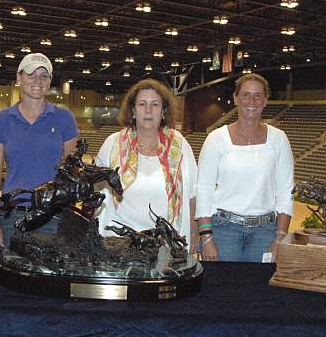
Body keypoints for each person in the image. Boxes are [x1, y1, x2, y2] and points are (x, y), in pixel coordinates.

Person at [196, 73, 293, 262]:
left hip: (265, 233)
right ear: (235, 98)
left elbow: (285, 191)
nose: (252, 101)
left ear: (265, 100)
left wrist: (280, 238)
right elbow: (204, 190)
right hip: (223, 231)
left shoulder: (279, 139)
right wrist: (206, 238)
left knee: (258, 290)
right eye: (246, 95)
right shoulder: (216, 139)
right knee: (225, 290)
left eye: (258, 96)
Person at [0, 53, 78, 249]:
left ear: (50, 81)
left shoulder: (64, 118)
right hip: (12, 217)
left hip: (53, 217)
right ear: (19, 78)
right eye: (31, 74)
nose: (38, 80)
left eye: (44, 75)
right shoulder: (2, 119)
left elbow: (72, 173)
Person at [95, 79, 198, 253]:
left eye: (155, 104)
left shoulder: (180, 145)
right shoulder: (113, 144)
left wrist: (194, 234)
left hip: (166, 243)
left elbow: (193, 194)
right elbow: (96, 188)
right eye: (142, 104)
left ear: (163, 111)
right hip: (119, 242)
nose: (148, 110)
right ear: (133, 111)